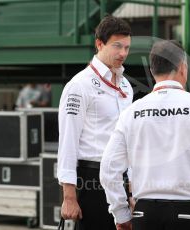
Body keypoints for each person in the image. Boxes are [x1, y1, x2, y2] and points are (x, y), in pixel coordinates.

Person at [100, 40, 190, 230]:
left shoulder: (131, 113)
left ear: (152, 70)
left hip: (146, 215)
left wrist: (121, 213)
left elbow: (108, 169)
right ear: (183, 67)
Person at [57, 15, 133, 230]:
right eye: (117, 46)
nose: (123, 53)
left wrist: (133, 188)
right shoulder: (79, 85)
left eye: (127, 47)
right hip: (92, 179)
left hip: (122, 177)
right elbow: (68, 142)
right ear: (99, 44)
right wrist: (69, 196)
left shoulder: (126, 86)